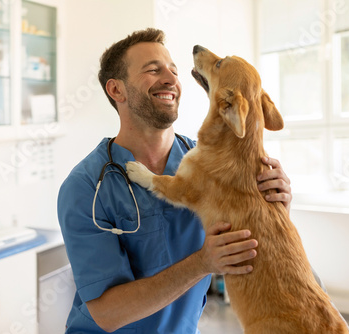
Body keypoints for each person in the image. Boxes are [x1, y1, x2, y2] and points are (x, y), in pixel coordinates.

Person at [57, 28, 292, 334]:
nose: (170, 80)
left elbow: (248, 249)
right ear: (117, 91)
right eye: (153, 70)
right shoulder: (86, 187)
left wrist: (276, 208)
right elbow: (107, 313)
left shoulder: (213, 166)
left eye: (174, 71)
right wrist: (202, 263)